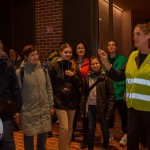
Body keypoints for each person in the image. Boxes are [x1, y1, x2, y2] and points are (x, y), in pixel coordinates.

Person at [98, 23, 150, 150]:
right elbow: (120, 75)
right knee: (132, 143)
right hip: (132, 108)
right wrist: (105, 62)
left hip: (148, 110)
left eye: (138, 34)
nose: (134, 37)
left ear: (148, 36)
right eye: (133, 34)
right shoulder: (132, 55)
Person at [16, 45, 54, 150]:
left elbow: (49, 88)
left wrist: (51, 105)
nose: (36, 57)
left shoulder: (43, 70)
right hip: (28, 111)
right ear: (25, 57)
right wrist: (18, 111)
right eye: (32, 55)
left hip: (43, 110)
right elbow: (17, 94)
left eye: (37, 54)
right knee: (29, 140)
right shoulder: (20, 73)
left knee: (42, 140)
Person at [49, 42, 82, 150]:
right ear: (60, 53)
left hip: (72, 100)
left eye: (70, 52)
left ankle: (66, 147)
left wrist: (73, 76)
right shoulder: (54, 66)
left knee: (70, 127)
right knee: (64, 127)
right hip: (60, 101)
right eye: (65, 52)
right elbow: (50, 84)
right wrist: (52, 99)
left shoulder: (74, 65)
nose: (68, 54)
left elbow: (79, 84)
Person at [80, 56, 114, 150]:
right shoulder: (87, 77)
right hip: (90, 107)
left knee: (104, 129)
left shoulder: (106, 77)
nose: (95, 65)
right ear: (90, 66)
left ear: (100, 64)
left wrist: (109, 110)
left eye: (97, 63)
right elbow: (83, 94)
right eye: (92, 64)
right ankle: (90, 147)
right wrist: (82, 107)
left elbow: (111, 95)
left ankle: (105, 147)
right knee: (91, 129)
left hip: (102, 107)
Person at [0, 40, 22, 150]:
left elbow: (15, 89)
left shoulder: (7, 67)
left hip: (5, 110)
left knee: (7, 140)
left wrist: (17, 110)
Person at [106, 40, 128, 146]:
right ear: (107, 47)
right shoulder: (104, 60)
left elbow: (125, 75)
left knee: (124, 114)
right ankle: (110, 132)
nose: (111, 46)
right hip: (109, 92)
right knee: (110, 114)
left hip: (120, 91)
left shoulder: (123, 59)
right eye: (109, 45)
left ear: (116, 47)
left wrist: (126, 91)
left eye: (113, 45)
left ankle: (125, 134)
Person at [72, 42, 89, 146]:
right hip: (74, 91)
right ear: (76, 50)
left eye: (83, 48)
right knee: (73, 114)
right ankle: (71, 134)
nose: (81, 50)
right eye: (78, 48)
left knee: (84, 115)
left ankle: (85, 138)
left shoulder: (90, 61)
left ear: (85, 50)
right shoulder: (72, 62)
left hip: (85, 91)